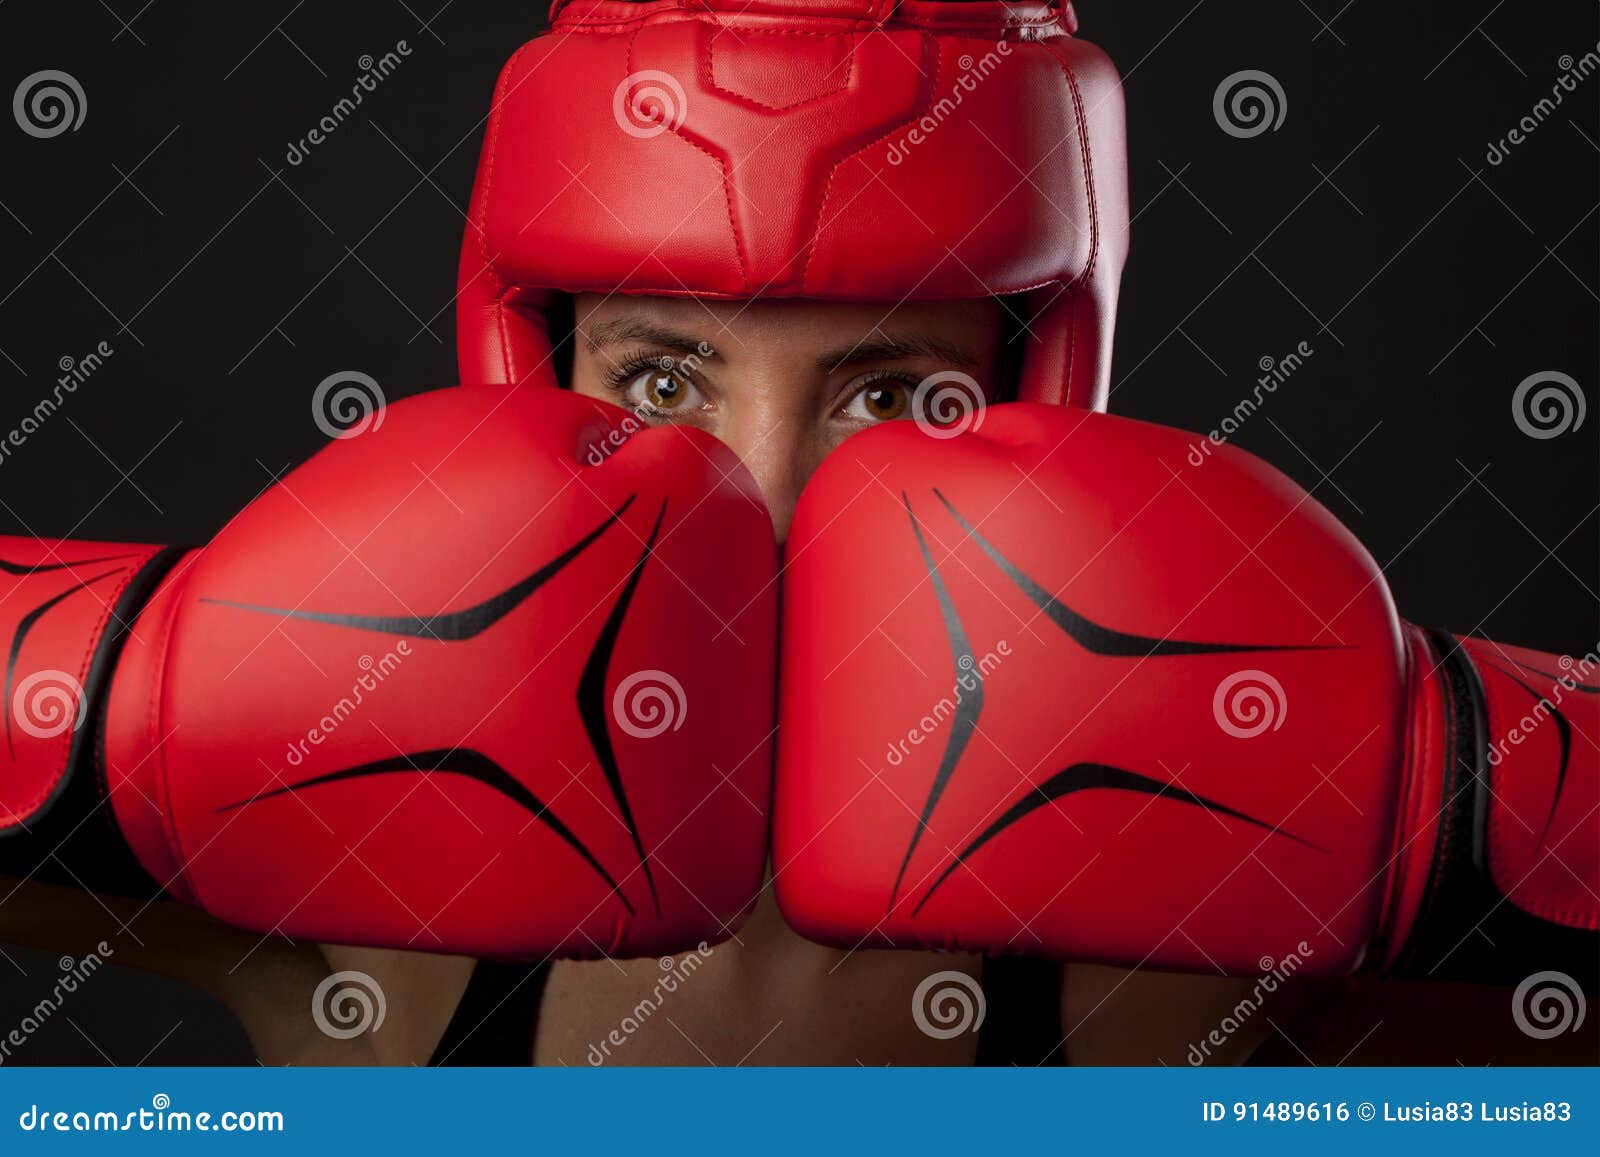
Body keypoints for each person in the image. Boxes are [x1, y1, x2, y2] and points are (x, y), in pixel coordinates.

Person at [2, 0, 1593, 1067]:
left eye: (892, 392)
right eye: (667, 376)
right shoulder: (356, 901)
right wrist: (136, 697)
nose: (759, 489)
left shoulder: (1185, 964)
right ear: (537, 377)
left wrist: (1442, 792)